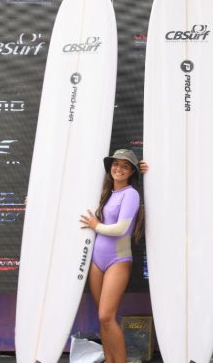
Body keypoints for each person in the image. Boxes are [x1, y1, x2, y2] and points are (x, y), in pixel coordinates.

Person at [80, 149, 143, 363]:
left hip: (118, 260)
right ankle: (109, 359)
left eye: (125, 166)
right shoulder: (107, 193)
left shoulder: (131, 193)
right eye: (116, 164)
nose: (119, 168)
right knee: (104, 319)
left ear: (131, 171)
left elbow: (122, 229)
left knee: (106, 316)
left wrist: (96, 226)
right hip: (97, 262)